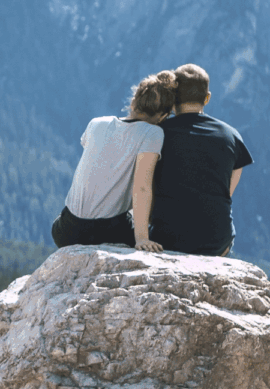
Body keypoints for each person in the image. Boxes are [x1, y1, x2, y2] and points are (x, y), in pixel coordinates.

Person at [51, 71, 178, 250]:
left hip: (66, 230)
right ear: (163, 116)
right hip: (106, 231)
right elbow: (142, 187)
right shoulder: (152, 133)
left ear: (133, 102)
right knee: (161, 232)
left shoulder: (96, 123)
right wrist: (142, 239)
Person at [149, 63, 252, 256]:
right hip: (218, 243)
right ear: (207, 98)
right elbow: (226, 192)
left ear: (173, 97)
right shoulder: (231, 136)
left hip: (167, 239)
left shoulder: (157, 134)